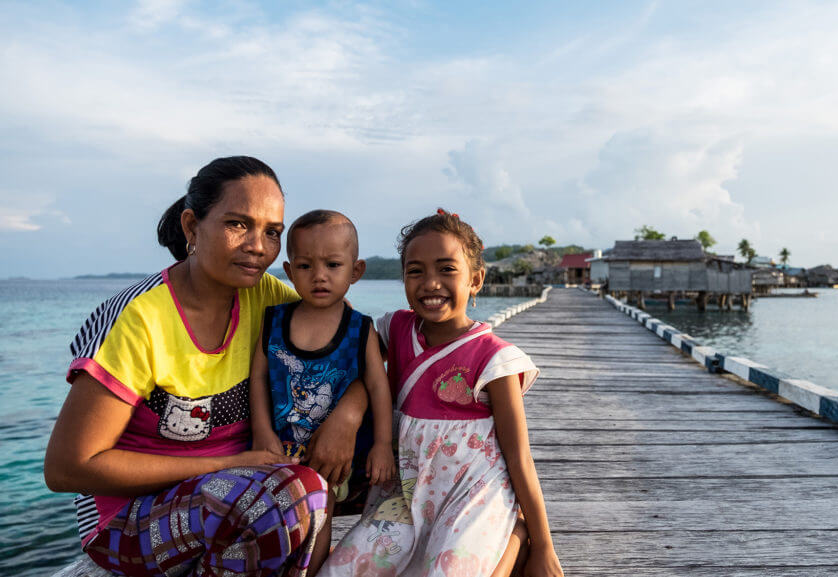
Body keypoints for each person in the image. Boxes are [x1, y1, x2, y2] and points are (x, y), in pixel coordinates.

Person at [44, 156, 368, 577]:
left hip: (241, 498)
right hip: (126, 522)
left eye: (272, 233)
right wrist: (224, 465)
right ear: (192, 226)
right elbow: (68, 467)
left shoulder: (267, 298)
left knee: (355, 469)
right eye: (238, 224)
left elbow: (358, 350)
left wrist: (348, 414)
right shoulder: (141, 319)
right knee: (296, 492)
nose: (258, 246)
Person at [322, 209, 563, 577]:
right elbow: (350, 347)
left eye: (447, 269)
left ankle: (517, 536)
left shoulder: (494, 358)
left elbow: (519, 457)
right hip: (404, 495)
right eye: (415, 271)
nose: (430, 283)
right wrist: (346, 415)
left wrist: (546, 548)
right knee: (341, 570)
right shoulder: (396, 330)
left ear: (476, 279)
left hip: (474, 495)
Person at [249, 209, 395, 575]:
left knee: (320, 512)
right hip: (279, 447)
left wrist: (382, 444)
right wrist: (262, 432)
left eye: (332, 265)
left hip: (333, 457)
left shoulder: (359, 329)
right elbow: (258, 380)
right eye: (305, 266)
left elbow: (379, 387)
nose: (319, 276)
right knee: (274, 516)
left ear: (355, 271)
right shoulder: (274, 321)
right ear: (288, 269)